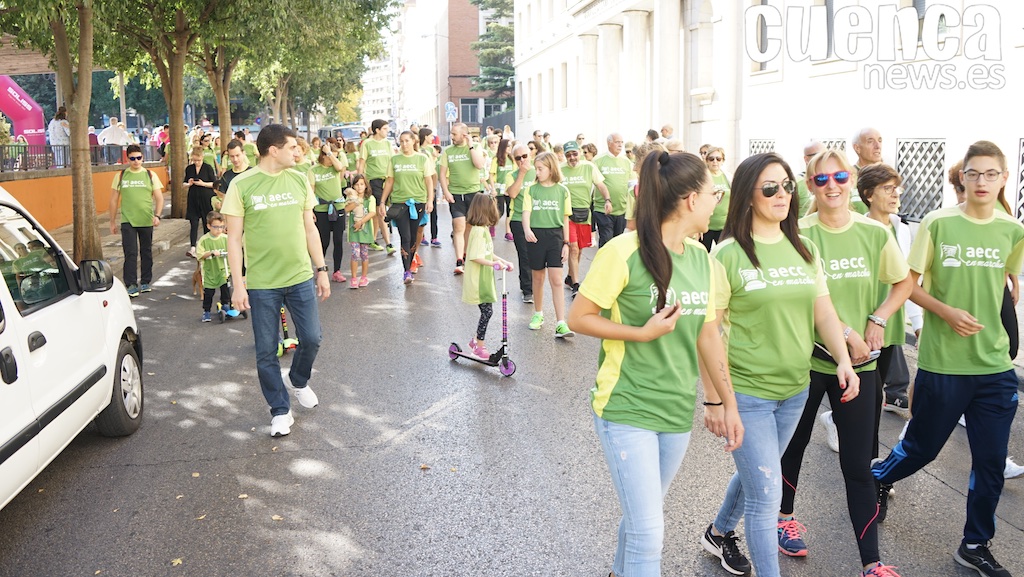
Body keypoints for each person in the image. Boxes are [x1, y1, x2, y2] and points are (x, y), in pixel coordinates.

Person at [568, 150, 743, 577]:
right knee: (648, 532)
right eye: (714, 193)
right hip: (626, 406)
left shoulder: (702, 259)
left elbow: (708, 336)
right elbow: (578, 318)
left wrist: (727, 404)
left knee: (641, 517)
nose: (716, 201)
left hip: (676, 410)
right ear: (691, 199)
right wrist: (641, 333)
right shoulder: (623, 251)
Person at [701, 152, 858, 577]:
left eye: (787, 185)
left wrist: (843, 360)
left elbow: (823, 311)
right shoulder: (728, 254)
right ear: (748, 196)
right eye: (770, 188)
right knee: (767, 496)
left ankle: (718, 532)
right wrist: (715, 400)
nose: (782, 194)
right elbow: (708, 331)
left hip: (795, 391)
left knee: (760, 473)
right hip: (746, 394)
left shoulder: (805, 248)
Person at [872, 141, 1024, 577]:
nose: (981, 181)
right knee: (923, 449)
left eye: (990, 174)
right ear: (963, 178)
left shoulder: (1012, 230)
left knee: (991, 463)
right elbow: (908, 284)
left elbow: (1007, 281)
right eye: (973, 173)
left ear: (1003, 178)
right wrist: (947, 312)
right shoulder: (938, 223)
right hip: (944, 364)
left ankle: (975, 544)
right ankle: (880, 476)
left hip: (994, 367)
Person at [777, 150, 911, 577]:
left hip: (860, 367)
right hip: (806, 362)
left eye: (838, 177)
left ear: (851, 179)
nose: (831, 186)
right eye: (821, 180)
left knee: (858, 465)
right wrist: (847, 332)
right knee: (792, 448)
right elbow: (800, 299)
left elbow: (904, 282)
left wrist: (879, 318)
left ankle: (871, 562)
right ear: (809, 185)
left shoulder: (874, 232)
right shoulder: (797, 233)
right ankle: (784, 519)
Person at [222, 124, 331, 438]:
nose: (297, 152)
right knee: (266, 351)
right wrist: (238, 284)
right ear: (274, 150)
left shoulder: (298, 179)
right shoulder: (242, 185)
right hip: (262, 283)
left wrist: (322, 269)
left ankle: (297, 379)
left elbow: (310, 228)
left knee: (312, 338)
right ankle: (280, 410)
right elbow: (233, 239)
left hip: (300, 276)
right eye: (292, 147)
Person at [522, 151, 573, 337]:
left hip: (555, 236)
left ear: (551, 169)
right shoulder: (531, 189)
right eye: (536, 169)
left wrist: (566, 243)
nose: (537, 172)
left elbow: (566, 218)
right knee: (537, 277)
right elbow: (526, 212)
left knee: (557, 279)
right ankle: (538, 314)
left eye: (540, 169)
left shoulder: (563, 191)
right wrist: (527, 230)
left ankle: (561, 322)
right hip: (536, 235)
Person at [463, 193, 514, 360]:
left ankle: (475, 341)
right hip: (478, 279)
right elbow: (475, 256)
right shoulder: (478, 231)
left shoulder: (483, 229)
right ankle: (479, 346)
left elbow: (488, 253)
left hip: (484, 278)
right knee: (487, 312)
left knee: (487, 311)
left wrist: (504, 262)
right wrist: (494, 264)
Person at [108, 144, 164, 297]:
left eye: (139, 158)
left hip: (146, 220)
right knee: (130, 253)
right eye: (132, 159)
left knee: (146, 252)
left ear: (142, 158)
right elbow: (113, 200)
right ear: (128, 159)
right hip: (128, 221)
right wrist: (112, 221)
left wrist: (157, 215)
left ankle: (145, 281)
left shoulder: (150, 175)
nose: (136, 161)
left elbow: (159, 198)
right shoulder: (121, 175)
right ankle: (131, 284)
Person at [380, 130, 435, 285]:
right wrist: (382, 202)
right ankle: (406, 271)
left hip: (418, 202)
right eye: (401, 141)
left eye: (407, 141)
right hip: (399, 203)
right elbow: (389, 181)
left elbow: (429, 181)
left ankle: (411, 262)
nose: (404, 144)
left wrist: (430, 200)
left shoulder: (422, 158)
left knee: (414, 235)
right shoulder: (394, 160)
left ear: (413, 141)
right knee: (405, 236)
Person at [561, 140, 609, 296]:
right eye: (568, 155)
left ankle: (570, 277)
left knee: (579, 249)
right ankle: (576, 285)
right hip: (567, 214)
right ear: (565, 156)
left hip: (584, 213)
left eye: (574, 153)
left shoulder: (589, 167)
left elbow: (601, 185)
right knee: (574, 248)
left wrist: (607, 200)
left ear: (579, 153)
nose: (572, 157)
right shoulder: (560, 169)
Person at [440, 122, 487, 275]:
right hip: (455, 194)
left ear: (464, 134)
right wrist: (446, 192)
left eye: (454, 134)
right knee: (458, 225)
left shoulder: (476, 147)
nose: (451, 136)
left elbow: (479, 165)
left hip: (473, 193)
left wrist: (471, 145)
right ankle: (459, 261)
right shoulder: (448, 151)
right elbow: (442, 174)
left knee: (470, 227)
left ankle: (465, 253)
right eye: (451, 133)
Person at [310, 142, 349, 282]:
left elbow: (340, 167)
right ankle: (321, 268)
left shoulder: (335, 167)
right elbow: (311, 191)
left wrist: (331, 153)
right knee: (324, 241)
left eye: (336, 156)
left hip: (338, 207)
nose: (334, 159)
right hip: (322, 209)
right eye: (330, 156)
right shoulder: (313, 170)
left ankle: (337, 271)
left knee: (338, 240)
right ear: (323, 155)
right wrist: (310, 210)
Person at [357, 119, 396, 255]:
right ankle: (388, 244)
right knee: (381, 211)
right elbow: (361, 163)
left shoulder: (387, 143)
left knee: (376, 214)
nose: (387, 131)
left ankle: (372, 240)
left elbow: (393, 161)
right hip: (374, 181)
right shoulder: (367, 144)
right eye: (384, 129)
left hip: (388, 180)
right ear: (377, 130)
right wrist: (360, 182)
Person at [506, 144, 537, 302]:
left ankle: (536, 284)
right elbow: (512, 193)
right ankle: (527, 289)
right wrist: (522, 174)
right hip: (518, 219)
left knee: (537, 255)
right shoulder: (511, 175)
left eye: (524, 156)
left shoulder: (539, 171)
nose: (522, 160)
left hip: (538, 219)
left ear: (530, 154)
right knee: (525, 255)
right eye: (518, 158)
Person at [196, 211, 239, 322]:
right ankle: (206, 311)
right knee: (209, 293)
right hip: (210, 271)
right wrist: (211, 253)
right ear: (209, 226)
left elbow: (233, 249)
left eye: (221, 227)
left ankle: (225, 304)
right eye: (215, 227)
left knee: (226, 288)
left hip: (224, 269)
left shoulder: (225, 238)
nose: (219, 230)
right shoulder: (204, 240)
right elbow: (199, 255)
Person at [593, 134, 632, 247]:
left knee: (617, 243)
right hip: (603, 208)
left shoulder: (627, 162)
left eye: (621, 142)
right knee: (606, 240)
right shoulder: (598, 160)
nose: (620, 145)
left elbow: (631, 183)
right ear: (609, 143)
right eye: (617, 142)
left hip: (621, 209)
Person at [184, 146, 218, 258]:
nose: (197, 162)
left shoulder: (208, 168)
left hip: (205, 197)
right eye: (194, 160)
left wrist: (203, 183)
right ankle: (193, 247)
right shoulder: (189, 169)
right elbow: (184, 183)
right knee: (193, 223)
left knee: (206, 222)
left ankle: (206, 247)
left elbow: (214, 184)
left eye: (198, 160)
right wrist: (189, 183)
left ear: (202, 157)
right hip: (193, 197)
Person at [346, 174, 375, 289]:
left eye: (362, 184)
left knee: (364, 254)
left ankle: (364, 276)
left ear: (366, 185)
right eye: (357, 184)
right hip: (353, 231)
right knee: (354, 253)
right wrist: (356, 201)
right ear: (353, 186)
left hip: (365, 231)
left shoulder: (370, 198)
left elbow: (372, 212)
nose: (359, 187)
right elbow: (346, 209)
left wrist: (361, 222)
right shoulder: (351, 198)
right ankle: (353, 278)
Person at [701, 146, 731, 251]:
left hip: (724, 226)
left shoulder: (728, 177)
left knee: (723, 254)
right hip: (706, 226)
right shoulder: (703, 176)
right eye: (711, 159)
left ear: (723, 161)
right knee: (704, 254)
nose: (715, 162)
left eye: (718, 159)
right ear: (706, 160)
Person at [794, 140, 825, 217]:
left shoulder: (830, 180)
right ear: (806, 159)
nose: (823, 158)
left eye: (825, 154)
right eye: (818, 155)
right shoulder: (797, 183)